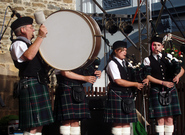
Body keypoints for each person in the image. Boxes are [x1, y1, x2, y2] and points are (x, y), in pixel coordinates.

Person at [10, 16, 54, 135]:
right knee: (32, 126)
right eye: (31, 27)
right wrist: (40, 37)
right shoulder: (17, 44)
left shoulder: (32, 45)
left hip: (39, 82)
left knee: (40, 124)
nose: (34, 30)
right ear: (23, 30)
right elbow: (28, 56)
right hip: (29, 84)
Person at [104, 41, 148, 135]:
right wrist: (135, 84)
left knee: (127, 124)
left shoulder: (127, 63)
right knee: (118, 124)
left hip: (127, 96)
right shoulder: (112, 63)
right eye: (122, 50)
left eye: (125, 50)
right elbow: (118, 80)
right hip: (117, 95)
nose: (125, 52)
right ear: (116, 51)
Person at [143, 36, 184, 135]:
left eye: (158, 45)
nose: (156, 47)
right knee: (160, 120)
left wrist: (178, 76)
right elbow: (148, 76)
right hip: (157, 89)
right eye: (154, 45)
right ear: (151, 47)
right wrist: (162, 82)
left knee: (169, 119)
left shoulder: (169, 57)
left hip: (170, 90)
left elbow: (182, 69)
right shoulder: (147, 60)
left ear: (162, 46)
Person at [54, 61, 101, 135]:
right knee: (66, 121)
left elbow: (81, 71)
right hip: (66, 88)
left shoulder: (78, 57)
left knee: (76, 121)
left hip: (78, 90)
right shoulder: (63, 56)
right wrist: (84, 78)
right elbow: (65, 72)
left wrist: (94, 72)